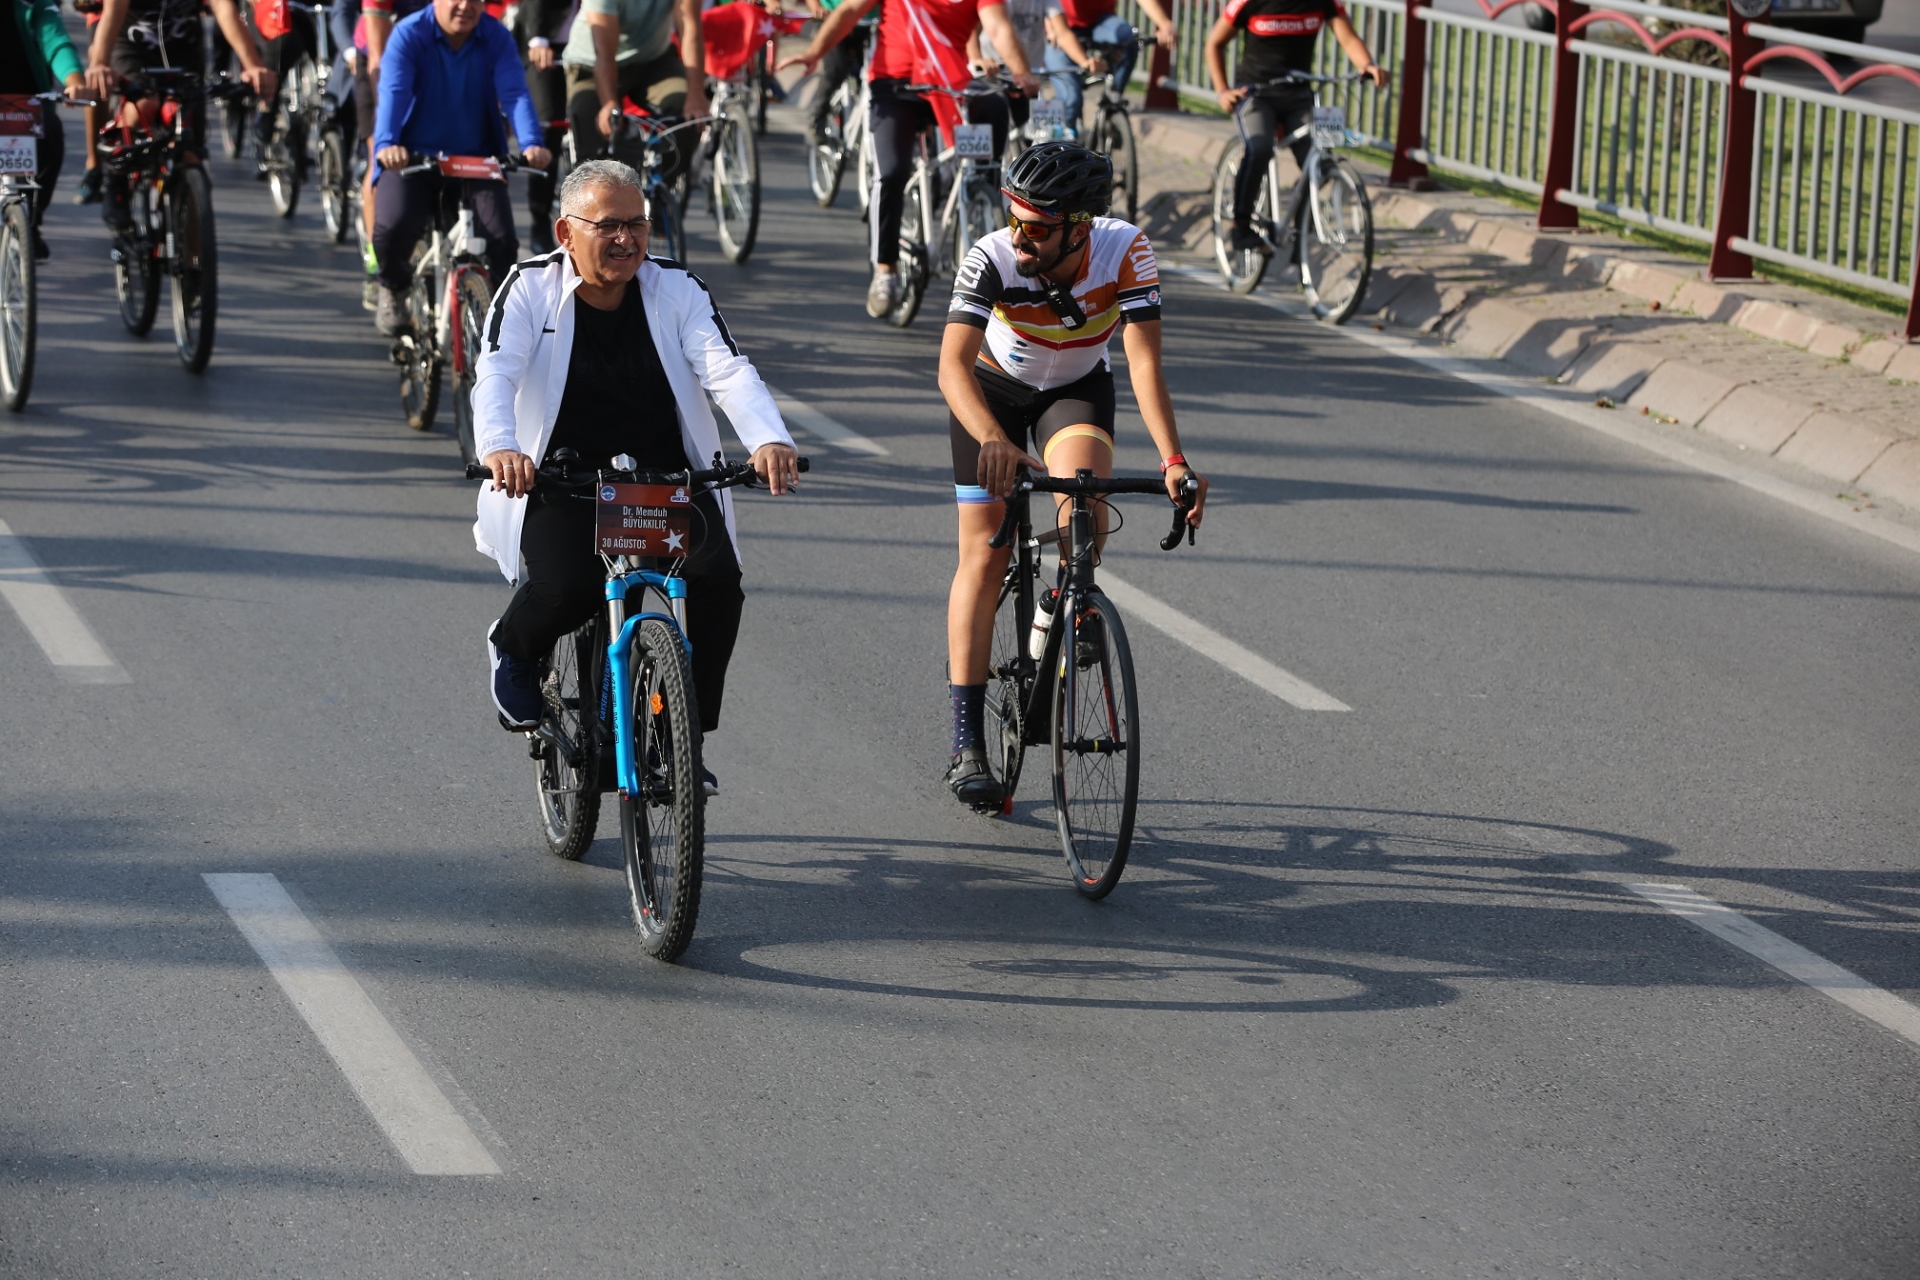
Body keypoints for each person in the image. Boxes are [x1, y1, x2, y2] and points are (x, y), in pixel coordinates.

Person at [472, 159, 799, 794]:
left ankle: (679, 734)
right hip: (561, 477)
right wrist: (501, 448)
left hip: (663, 478)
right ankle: (513, 645)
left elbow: (726, 369)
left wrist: (768, 439)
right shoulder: (530, 287)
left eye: (638, 225)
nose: (628, 240)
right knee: (567, 588)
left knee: (717, 584)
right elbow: (497, 373)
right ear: (567, 233)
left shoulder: (676, 288)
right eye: (610, 226)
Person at [937, 141, 1205, 806]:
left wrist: (1174, 460)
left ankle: (1064, 601)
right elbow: (950, 366)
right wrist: (995, 439)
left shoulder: (1125, 252)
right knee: (984, 554)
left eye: (1036, 226)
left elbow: (1144, 364)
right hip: (991, 393)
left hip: (1077, 387)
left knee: (1083, 506)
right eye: (1016, 218)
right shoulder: (993, 256)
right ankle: (966, 741)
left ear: (1079, 227)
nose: (1018, 235)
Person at [783, 0, 1036, 319]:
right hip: (895, 87)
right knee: (890, 173)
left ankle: (979, 193)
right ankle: (884, 269)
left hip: (948, 83)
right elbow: (848, 12)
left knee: (994, 106)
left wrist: (1022, 72)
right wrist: (814, 52)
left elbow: (998, 26)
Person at [369, 0, 549, 336]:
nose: (465, 6)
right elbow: (393, 92)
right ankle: (393, 287)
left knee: (502, 242)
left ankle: (499, 334)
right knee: (394, 225)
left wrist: (531, 144)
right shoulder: (409, 34)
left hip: (476, 160)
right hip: (413, 158)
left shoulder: (496, 36)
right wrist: (387, 145)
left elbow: (515, 94)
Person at [1204, 0, 1384, 257]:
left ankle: (1301, 228)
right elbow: (1215, 43)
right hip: (1256, 94)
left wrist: (1367, 64)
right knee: (1260, 148)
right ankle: (1240, 226)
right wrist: (1222, 90)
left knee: (1321, 160)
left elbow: (1349, 38)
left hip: (1300, 95)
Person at [88, 0, 277, 228]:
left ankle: (194, 251)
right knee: (145, 105)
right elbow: (112, 12)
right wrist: (99, 63)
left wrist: (253, 65)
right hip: (132, 46)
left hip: (182, 50)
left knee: (190, 148)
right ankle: (116, 180)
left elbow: (224, 8)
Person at [559, 0, 707, 166]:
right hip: (592, 65)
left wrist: (696, 94)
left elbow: (690, 28)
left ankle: (660, 183)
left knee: (688, 117)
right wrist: (609, 103)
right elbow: (605, 54)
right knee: (592, 150)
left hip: (652, 60)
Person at [0, 0, 89, 256]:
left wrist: (74, 79)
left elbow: (55, 40)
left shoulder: (34, 3)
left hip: (26, 106)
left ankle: (29, 220)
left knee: (51, 132)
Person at [1042, 0, 1170, 127]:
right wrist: (1049, 25)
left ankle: (1114, 96)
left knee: (1130, 39)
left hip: (1101, 21)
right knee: (1071, 99)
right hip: (1061, 24)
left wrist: (1164, 24)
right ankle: (1059, 139)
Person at [511, 0, 569, 253]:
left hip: (590, 43)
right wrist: (538, 39)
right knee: (548, 128)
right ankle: (539, 220)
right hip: (544, 41)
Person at [800, 0, 867, 149]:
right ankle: (816, 115)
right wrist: (816, 7)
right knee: (836, 68)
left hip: (868, 24)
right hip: (831, 21)